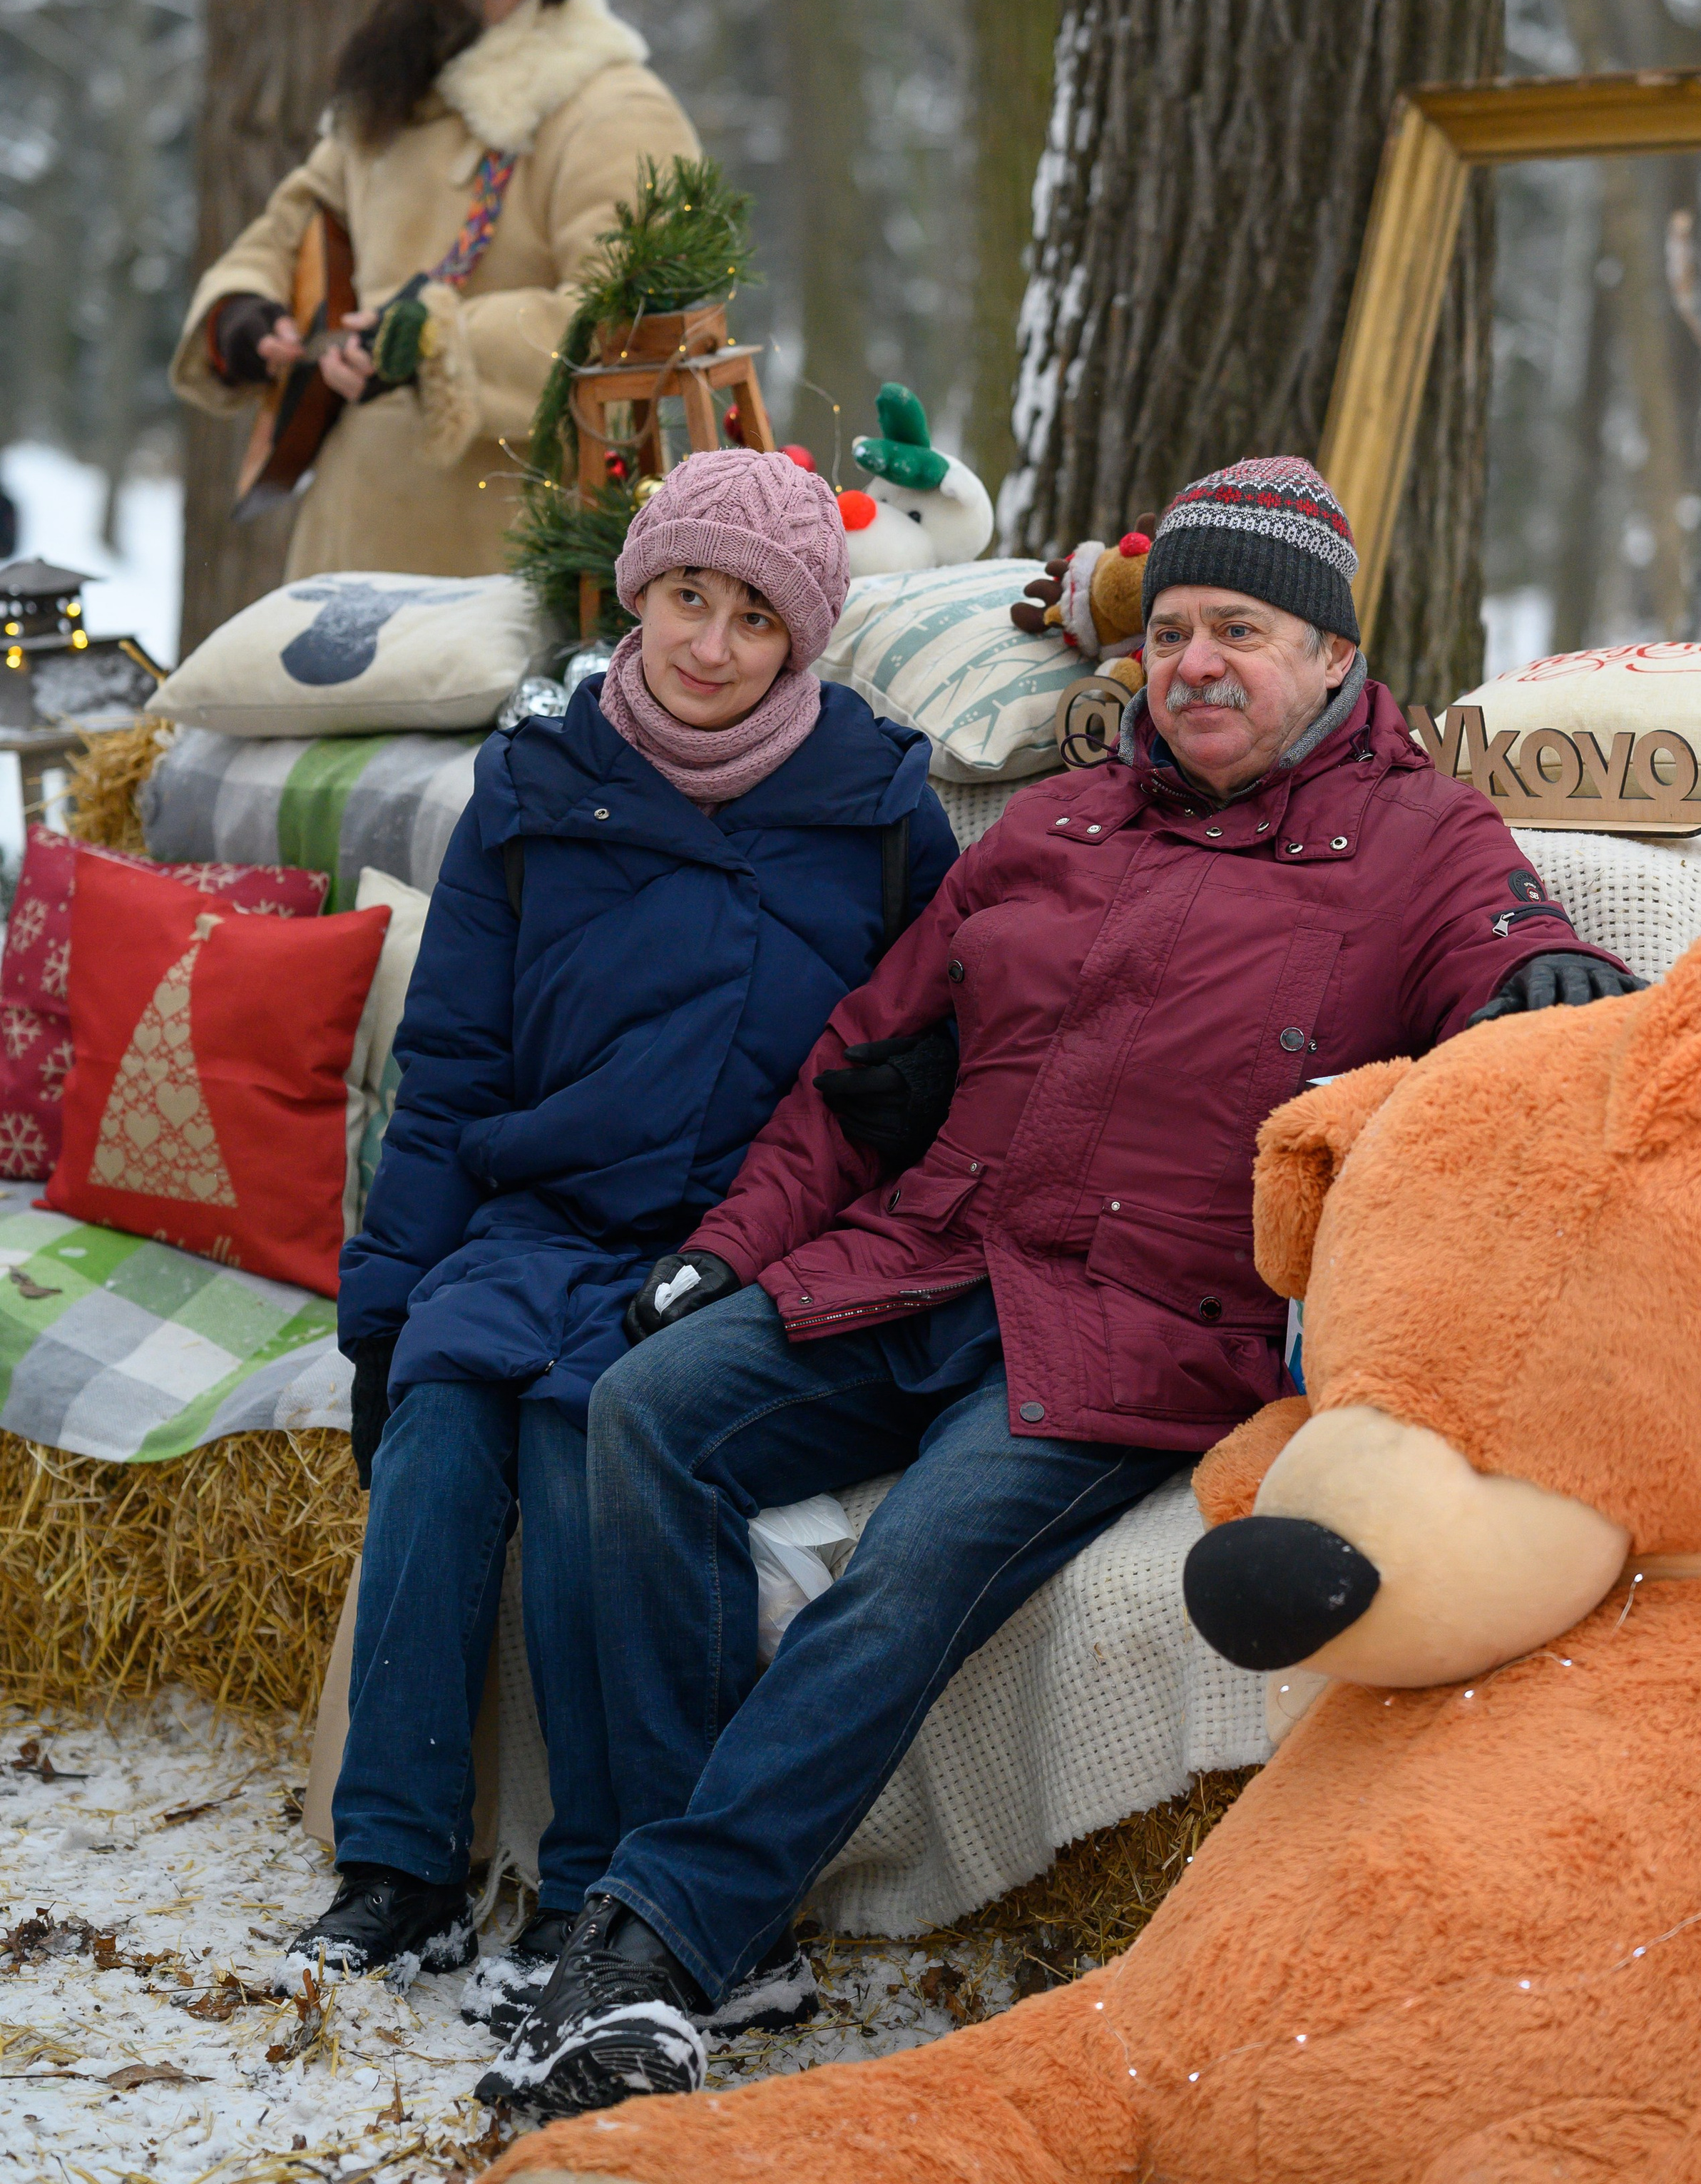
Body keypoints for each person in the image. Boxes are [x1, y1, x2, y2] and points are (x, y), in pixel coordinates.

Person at [478, 454, 1641, 2120]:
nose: (1192, 663)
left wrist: (1555, 983)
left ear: (1328, 654)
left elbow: (1522, 974)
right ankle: (719, 1925)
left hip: (1136, 1320)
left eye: (1238, 627)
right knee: (646, 1405)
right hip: (929, 1257)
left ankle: (652, 1945)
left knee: (907, 1566)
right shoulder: (1058, 816)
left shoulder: (1417, 837)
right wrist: (722, 1250)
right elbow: (855, 1064)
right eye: (1167, 628)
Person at [284, 449, 955, 2032]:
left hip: (737, 1238)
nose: (708, 643)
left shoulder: (878, 815)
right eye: (683, 597)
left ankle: (601, 1880)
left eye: (751, 617)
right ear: (635, 594)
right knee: (442, 1415)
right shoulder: (532, 788)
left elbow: (931, 1034)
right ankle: (398, 1862)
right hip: (544, 1212)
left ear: (804, 641)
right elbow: (448, 1073)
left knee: (587, 1426)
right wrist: (382, 1308)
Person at [170, 0, 698, 580]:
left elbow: (634, 326)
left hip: (509, 564)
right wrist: (243, 313)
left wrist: (432, 343)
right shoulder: (391, 103)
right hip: (342, 551)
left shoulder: (613, 110)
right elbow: (286, 232)